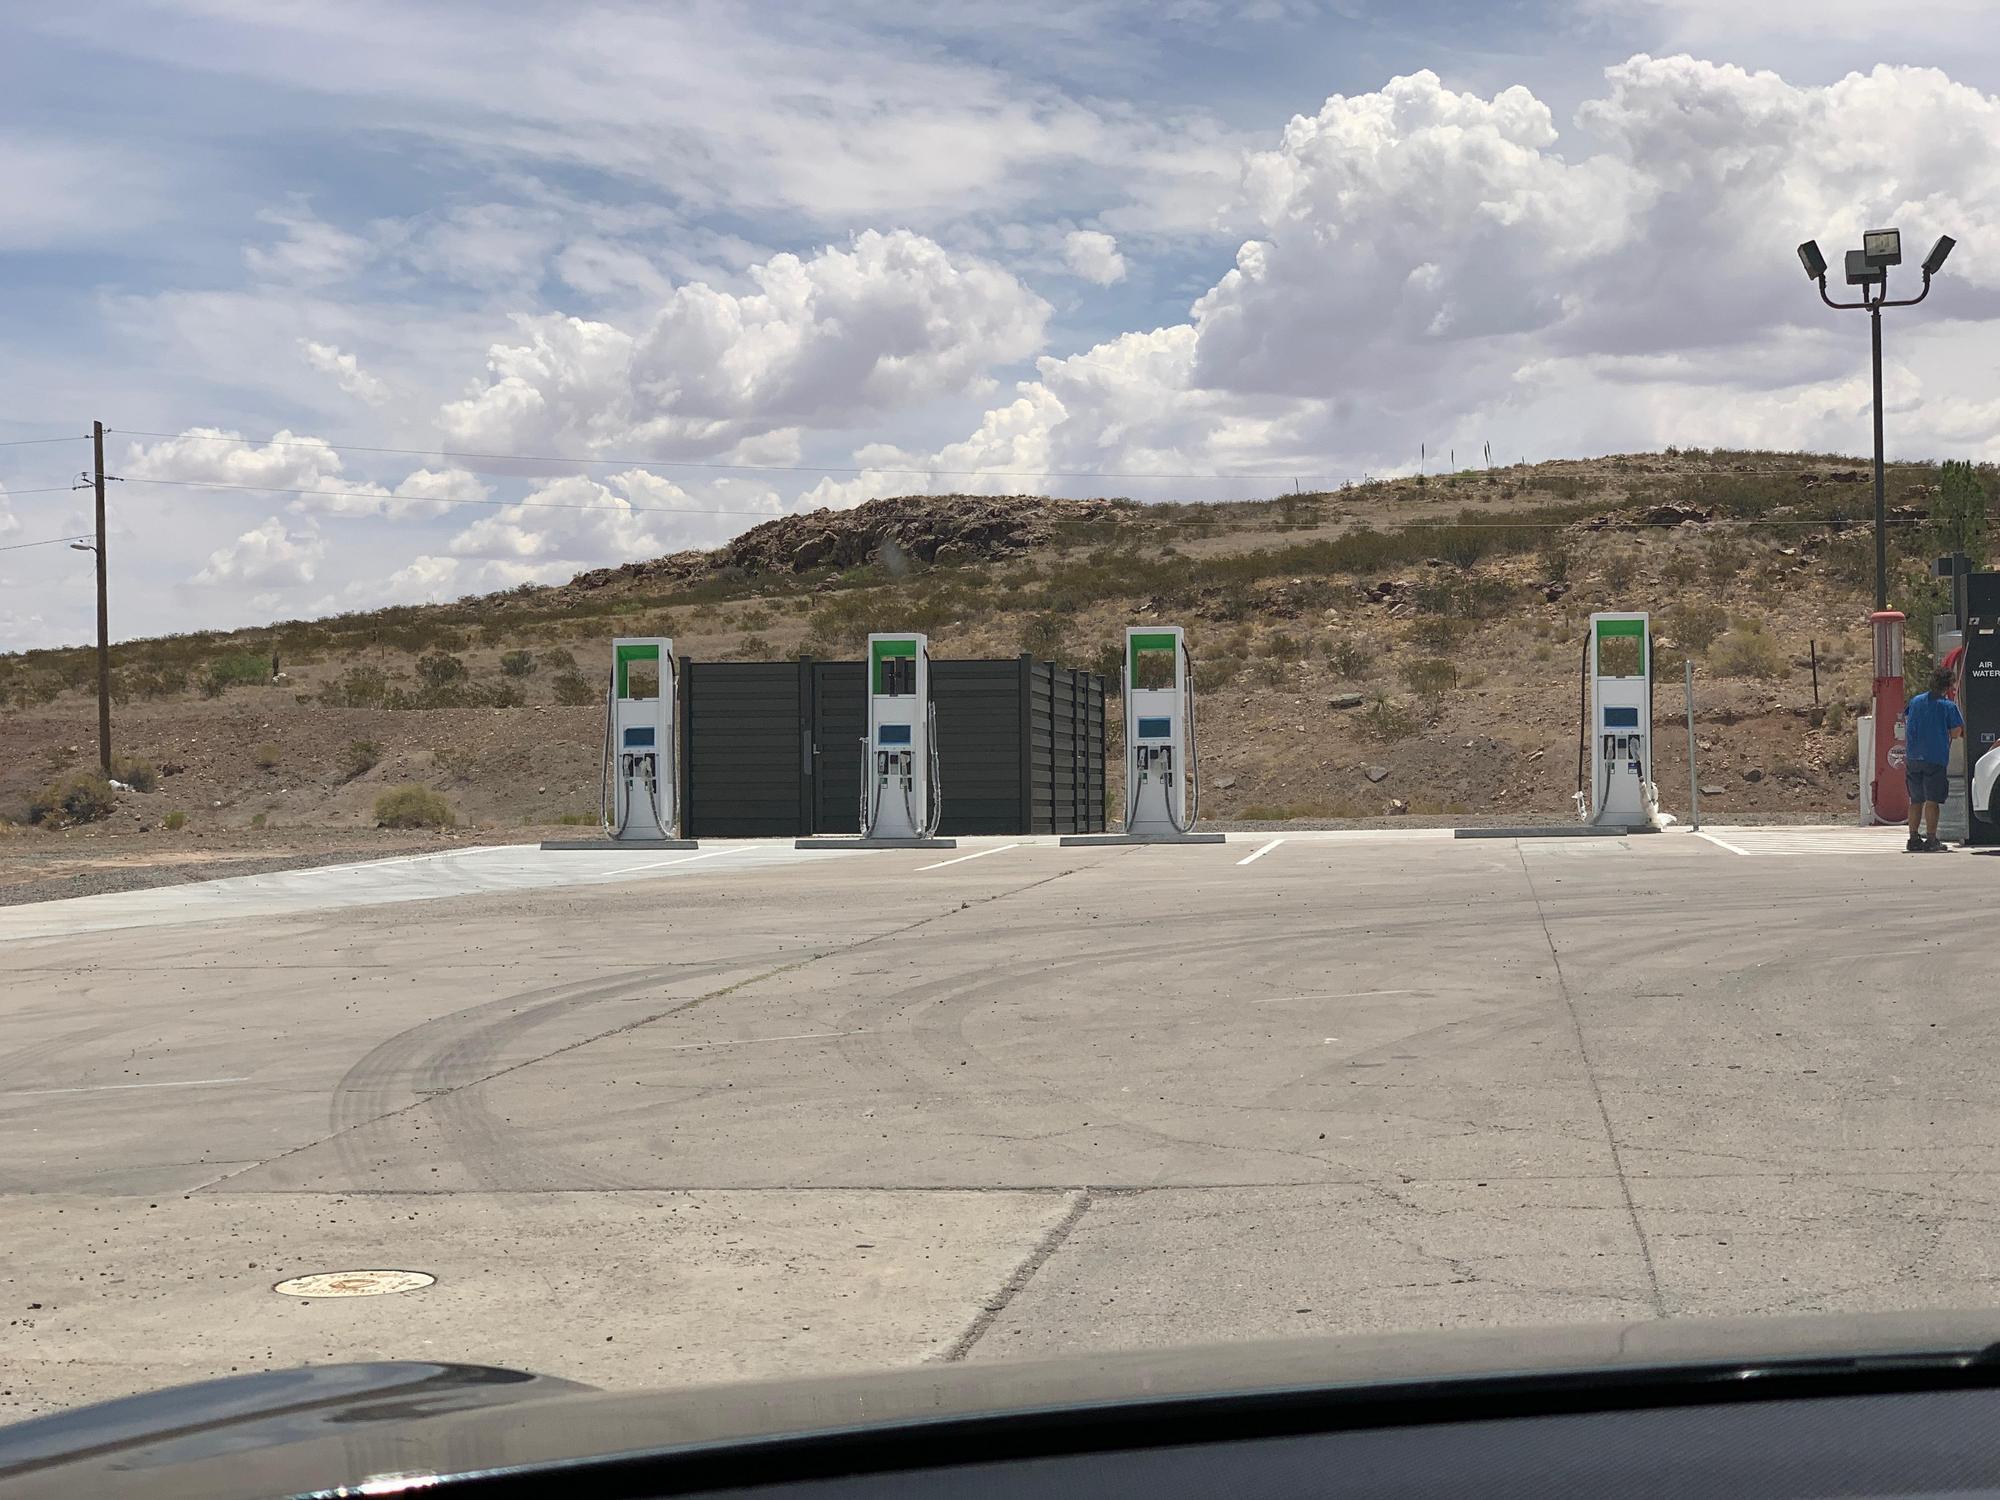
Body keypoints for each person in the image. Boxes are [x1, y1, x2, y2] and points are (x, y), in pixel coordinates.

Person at [1904, 665, 1965, 852]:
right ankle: (1931, 839)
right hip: (1935, 757)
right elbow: (1956, 733)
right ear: (1948, 686)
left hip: (1913, 757)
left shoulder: (1916, 701)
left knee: (1916, 800)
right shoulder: (1948, 706)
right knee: (1932, 800)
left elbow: (1908, 717)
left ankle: (1913, 839)